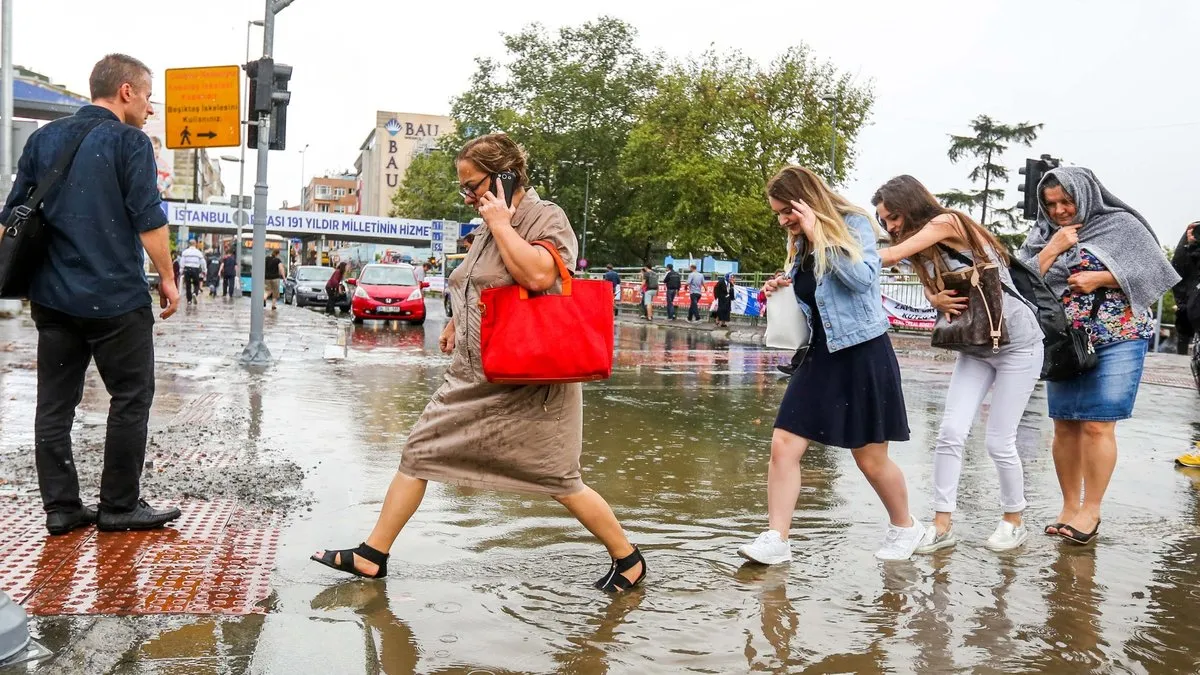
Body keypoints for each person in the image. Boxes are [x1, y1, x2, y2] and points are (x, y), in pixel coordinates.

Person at [312, 133, 646, 591]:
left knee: (558, 478)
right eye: (463, 189)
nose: (468, 197)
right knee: (418, 453)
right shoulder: (489, 224)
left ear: (506, 176)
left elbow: (537, 275)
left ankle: (628, 558)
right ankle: (373, 554)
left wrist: (503, 223)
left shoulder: (544, 217)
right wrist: (455, 324)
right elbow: (476, 284)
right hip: (475, 371)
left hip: (532, 378)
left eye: (473, 186)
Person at [0, 53, 181, 534]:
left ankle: (61, 508)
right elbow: (149, 217)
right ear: (125, 91)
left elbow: (12, 216)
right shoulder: (129, 142)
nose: (149, 107)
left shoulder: (43, 139)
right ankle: (119, 507)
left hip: (54, 301)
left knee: (54, 405)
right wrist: (167, 276)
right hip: (116, 301)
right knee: (130, 398)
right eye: (147, 96)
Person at [737, 165, 927, 564]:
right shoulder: (798, 241)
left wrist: (819, 234)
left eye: (786, 210)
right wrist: (780, 284)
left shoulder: (853, 223)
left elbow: (862, 280)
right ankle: (777, 539)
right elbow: (811, 293)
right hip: (819, 354)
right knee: (784, 444)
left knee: (870, 458)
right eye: (778, 214)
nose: (783, 220)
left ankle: (905, 527)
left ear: (806, 199)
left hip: (862, 351)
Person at [873, 175, 1044, 552]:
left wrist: (837, 249)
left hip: (1019, 344)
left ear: (911, 205)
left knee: (1000, 441)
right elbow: (933, 290)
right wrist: (937, 302)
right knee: (950, 432)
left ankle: (1013, 521)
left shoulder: (947, 222)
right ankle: (942, 525)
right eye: (884, 221)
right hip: (976, 346)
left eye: (893, 217)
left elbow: (888, 256)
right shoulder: (920, 246)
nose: (890, 226)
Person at [1017, 167, 1179, 545]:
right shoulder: (1042, 235)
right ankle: (1069, 506)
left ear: (1085, 194)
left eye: (1066, 201)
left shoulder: (1121, 225)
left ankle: (1092, 509)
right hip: (1063, 338)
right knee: (1064, 424)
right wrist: (1053, 248)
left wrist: (1101, 278)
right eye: (1050, 203)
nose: (1058, 210)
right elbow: (1018, 281)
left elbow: (1156, 272)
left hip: (1119, 334)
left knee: (1097, 424)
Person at [1171, 222, 1200, 355]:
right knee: (1184, 332)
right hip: (1190, 299)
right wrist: (1190, 246)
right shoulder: (1194, 231)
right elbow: (1177, 267)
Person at [179, 239, 204, 305]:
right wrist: (204, 270)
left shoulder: (185, 252)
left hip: (187, 269)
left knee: (188, 284)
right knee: (196, 283)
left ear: (189, 244)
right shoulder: (198, 252)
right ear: (195, 244)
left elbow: (182, 261)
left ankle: (189, 300)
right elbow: (202, 262)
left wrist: (181, 269)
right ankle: (195, 293)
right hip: (195, 269)